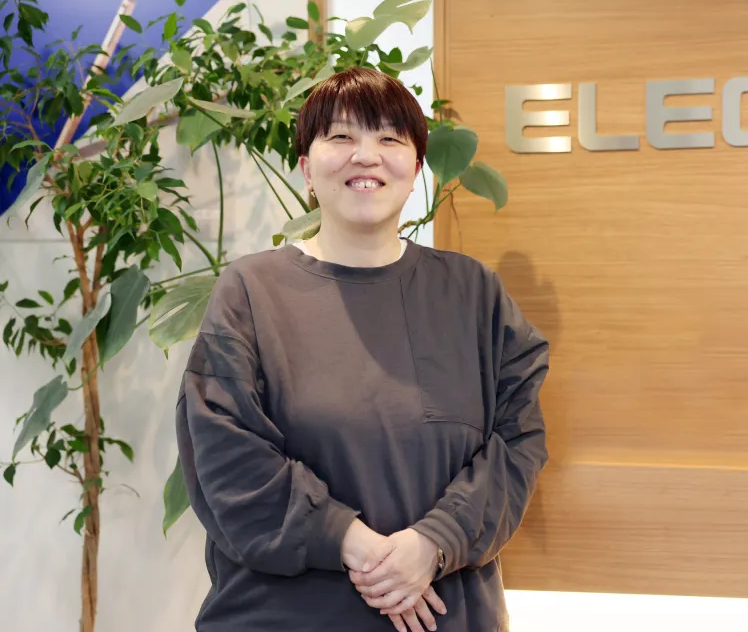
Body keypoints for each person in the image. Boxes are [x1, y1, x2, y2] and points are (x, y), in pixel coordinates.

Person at [174, 66, 550, 632]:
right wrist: (353, 544)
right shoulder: (251, 291)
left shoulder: (473, 293)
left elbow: (518, 441)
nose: (366, 156)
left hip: (449, 616)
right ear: (307, 168)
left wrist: (434, 542)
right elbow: (225, 456)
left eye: (390, 139)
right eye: (341, 136)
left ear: (416, 168)